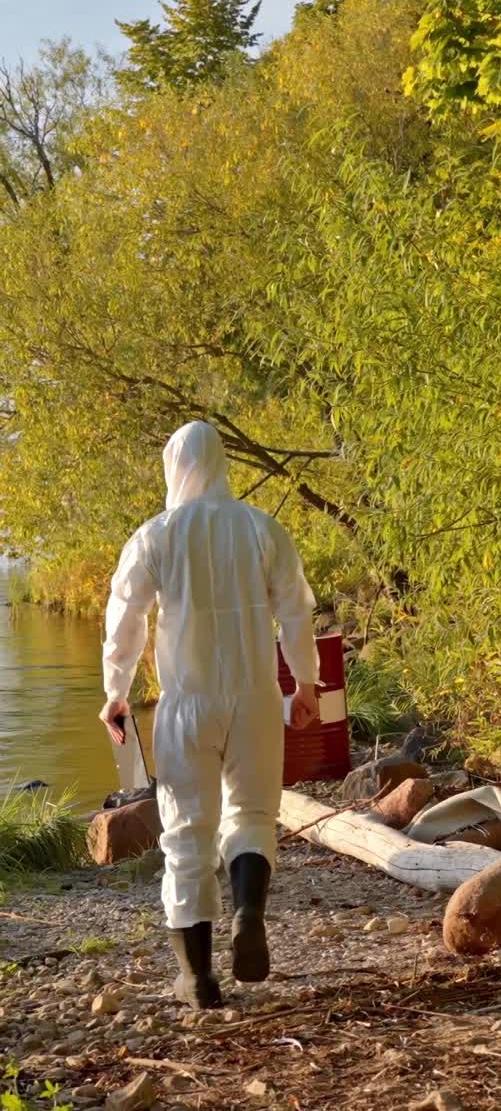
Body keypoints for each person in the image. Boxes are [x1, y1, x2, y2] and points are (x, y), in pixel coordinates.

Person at [99, 420, 320, 1009]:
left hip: (185, 705)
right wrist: (305, 684)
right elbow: (296, 610)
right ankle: (248, 911)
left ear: (174, 469)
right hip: (254, 700)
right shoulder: (261, 528)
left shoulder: (155, 536)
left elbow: (126, 619)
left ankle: (197, 978)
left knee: (187, 836)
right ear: (223, 464)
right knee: (251, 814)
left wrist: (115, 691)